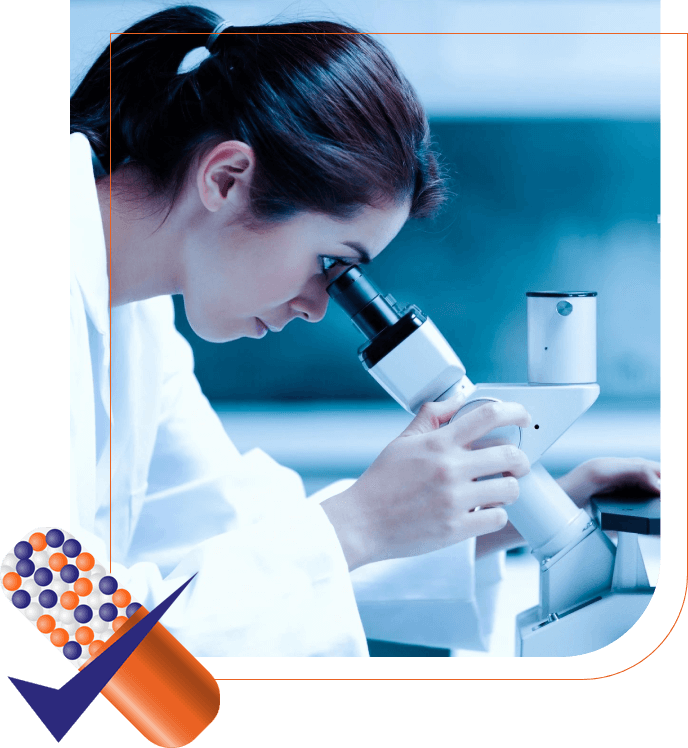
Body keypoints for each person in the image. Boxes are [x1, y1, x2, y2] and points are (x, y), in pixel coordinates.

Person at [70, 5, 661, 657]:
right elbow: (63, 623)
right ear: (227, 178)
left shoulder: (136, 319)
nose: (320, 307)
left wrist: (518, 508)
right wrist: (362, 521)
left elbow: (235, 540)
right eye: (334, 265)